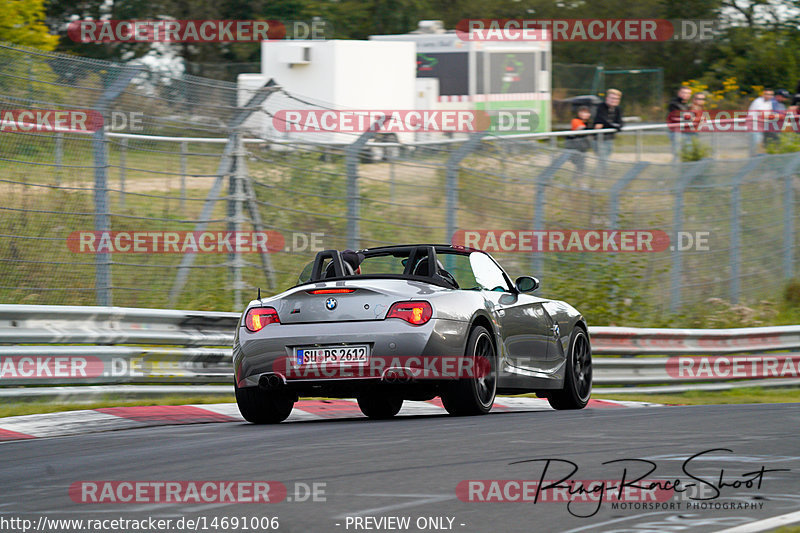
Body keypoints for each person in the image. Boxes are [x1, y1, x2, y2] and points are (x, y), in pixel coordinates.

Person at [593, 89, 623, 160]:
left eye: (616, 99)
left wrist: (616, 126)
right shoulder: (600, 107)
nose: (614, 100)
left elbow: (620, 123)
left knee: (607, 157)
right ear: (607, 98)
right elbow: (602, 120)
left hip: (609, 137)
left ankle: (603, 171)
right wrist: (614, 126)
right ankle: (601, 171)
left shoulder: (618, 109)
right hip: (598, 138)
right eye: (612, 98)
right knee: (603, 158)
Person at [667, 86, 693, 158]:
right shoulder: (674, 104)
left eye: (688, 93)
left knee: (689, 152)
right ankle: (677, 168)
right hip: (677, 132)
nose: (685, 95)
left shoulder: (688, 104)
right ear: (679, 93)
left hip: (687, 132)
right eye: (683, 93)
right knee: (678, 154)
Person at [565, 106, 592, 173]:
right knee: (579, 165)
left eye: (586, 112)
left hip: (583, 147)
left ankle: (578, 180)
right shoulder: (575, 120)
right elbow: (580, 128)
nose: (584, 114)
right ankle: (578, 180)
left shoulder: (588, 122)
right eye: (582, 112)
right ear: (578, 113)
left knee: (581, 165)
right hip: (574, 147)